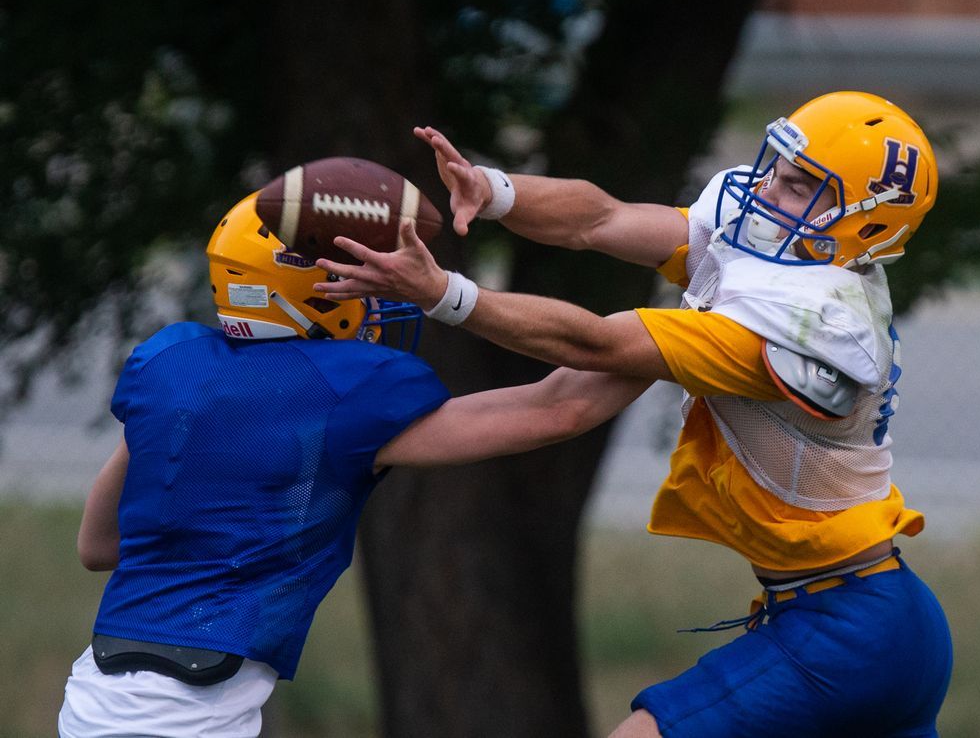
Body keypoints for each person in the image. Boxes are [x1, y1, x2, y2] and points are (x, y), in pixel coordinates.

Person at [313, 91, 954, 737]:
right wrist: (494, 190)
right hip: (867, 611)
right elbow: (602, 219)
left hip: (849, 629)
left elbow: (592, 343)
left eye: (798, 187)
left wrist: (443, 293)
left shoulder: (797, 325)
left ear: (865, 226)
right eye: (778, 169)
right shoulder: (784, 256)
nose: (764, 190)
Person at [58, 193, 651, 738]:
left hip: (93, 699)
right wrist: (685, 335)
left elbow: (97, 545)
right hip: (179, 718)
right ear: (303, 292)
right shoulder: (343, 391)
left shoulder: (170, 367)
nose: (373, 298)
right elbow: (560, 407)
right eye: (353, 281)